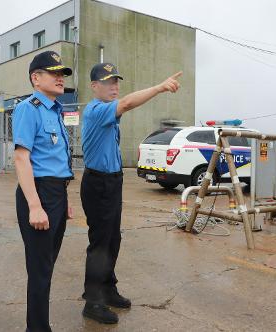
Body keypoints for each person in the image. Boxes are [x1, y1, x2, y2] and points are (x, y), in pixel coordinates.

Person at [80, 62, 182, 324]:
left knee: (113, 239)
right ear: (94, 87)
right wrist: (159, 87)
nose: (114, 86)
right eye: (107, 82)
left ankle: (107, 288)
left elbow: (121, 106)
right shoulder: (95, 110)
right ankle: (92, 301)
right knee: (100, 243)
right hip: (98, 183)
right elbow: (126, 103)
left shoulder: (108, 114)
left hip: (112, 182)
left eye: (116, 81)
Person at [13, 50, 73, 331]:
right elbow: (21, 158)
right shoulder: (30, 108)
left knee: (46, 266)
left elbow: (58, 161)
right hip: (38, 193)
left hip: (56, 193)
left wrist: (65, 200)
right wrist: (35, 206)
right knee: (39, 270)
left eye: (62, 73)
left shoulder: (56, 110)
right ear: (36, 78)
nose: (60, 78)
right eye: (54, 73)